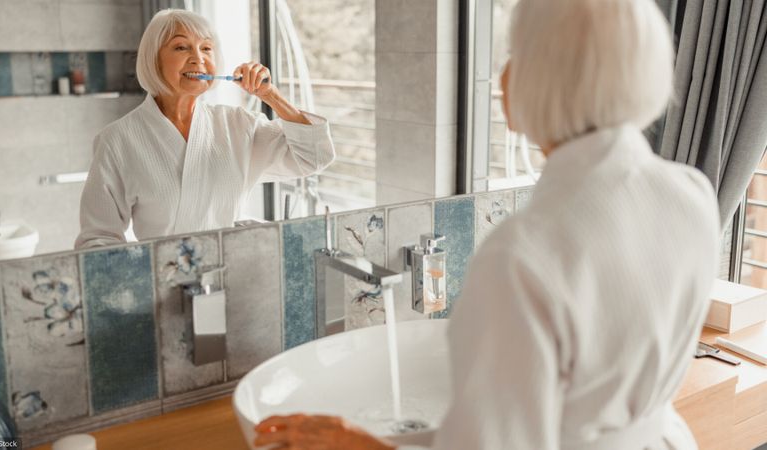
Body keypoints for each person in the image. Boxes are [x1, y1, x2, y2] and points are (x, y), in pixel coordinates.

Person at [253, 0, 720, 448]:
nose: (502, 74)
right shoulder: (691, 193)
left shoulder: (522, 254)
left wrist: (354, 445)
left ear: (544, 77)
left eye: (516, 54)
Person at [75, 9, 335, 249]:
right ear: (153, 60)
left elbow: (313, 157)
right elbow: (99, 239)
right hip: (162, 277)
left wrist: (271, 95)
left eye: (206, 48)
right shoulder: (118, 140)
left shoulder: (237, 125)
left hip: (232, 271)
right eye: (181, 47)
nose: (198, 58)